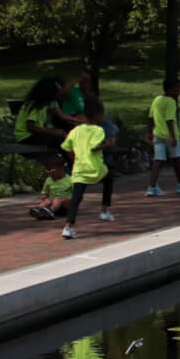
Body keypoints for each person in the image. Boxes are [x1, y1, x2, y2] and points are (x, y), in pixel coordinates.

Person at [60, 99, 114, 240]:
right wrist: (106, 144)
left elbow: (66, 147)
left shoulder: (76, 130)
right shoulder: (98, 130)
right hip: (95, 169)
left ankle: (68, 227)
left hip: (79, 169)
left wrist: (73, 158)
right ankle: (104, 210)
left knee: (76, 198)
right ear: (98, 115)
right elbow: (94, 146)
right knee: (109, 180)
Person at [145, 77, 180, 196]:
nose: (179, 91)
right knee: (176, 160)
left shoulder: (157, 99)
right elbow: (170, 120)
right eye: (177, 88)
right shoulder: (171, 102)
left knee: (158, 160)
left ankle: (152, 187)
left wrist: (149, 132)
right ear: (171, 90)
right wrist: (172, 136)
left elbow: (151, 117)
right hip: (170, 135)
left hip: (158, 134)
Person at [12, 77, 69, 154]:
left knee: (64, 138)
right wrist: (53, 131)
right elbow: (30, 127)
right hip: (26, 138)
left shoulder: (44, 104)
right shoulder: (36, 105)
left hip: (32, 136)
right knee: (61, 140)